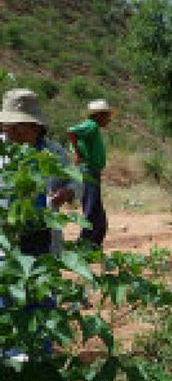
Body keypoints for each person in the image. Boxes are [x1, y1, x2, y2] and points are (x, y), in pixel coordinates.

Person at [0, 88, 77, 256]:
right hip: (6, 233)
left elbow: (75, 181)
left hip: (41, 232)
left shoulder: (54, 152)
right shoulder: (2, 148)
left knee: (42, 276)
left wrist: (68, 192)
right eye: (7, 128)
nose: (11, 134)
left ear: (35, 126)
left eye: (18, 128)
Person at [67, 98, 112, 248]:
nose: (109, 119)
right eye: (106, 115)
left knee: (99, 219)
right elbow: (71, 131)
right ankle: (81, 247)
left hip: (93, 172)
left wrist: (76, 150)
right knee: (92, 212)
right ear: (98, 115)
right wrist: (77, 154)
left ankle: (93, 248)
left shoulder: (93, 128)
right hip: (89, 172)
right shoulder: (91, 125)